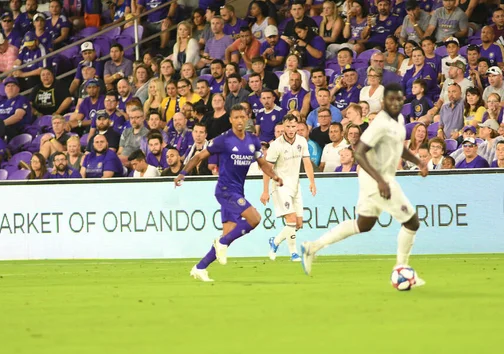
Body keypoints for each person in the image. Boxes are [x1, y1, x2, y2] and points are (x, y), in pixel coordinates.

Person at [301, 83, 428, 280]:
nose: (395, 102)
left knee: (363, 224)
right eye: (391, 99)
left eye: (399, 99)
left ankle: (312, 247)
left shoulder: (399, 120)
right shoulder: (379, 124)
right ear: (383, 102)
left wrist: (419, 161)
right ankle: (401, 268)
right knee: (412, 222)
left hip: (379, 179)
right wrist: (380, 182)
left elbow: (397, 147)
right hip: (376, 179)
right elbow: (359, 153)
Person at [174, 104, 283, 282]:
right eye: (236, 117)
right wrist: (183, 173)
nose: (240, 120)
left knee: (229, 233)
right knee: (254, 219)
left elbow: (263, 164)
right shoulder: (223, 140)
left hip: (238, 190)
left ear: (247, 118)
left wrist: (274, 176)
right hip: (225, 190)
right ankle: (221, 243)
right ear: (231, 120)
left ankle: (200, 267)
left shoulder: (253, 141)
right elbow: (199, 156)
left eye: (242, 117)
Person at [260, 114, 316, 261]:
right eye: (288, 126)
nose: (291, 129)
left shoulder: (302, 141)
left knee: (298, 224)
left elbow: (307, 163)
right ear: (283, 127)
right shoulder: (276, 146)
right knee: (291, 219)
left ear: (297, 127)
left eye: (293, 126)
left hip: (295, 186)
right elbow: (267, 169)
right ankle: (293, 253)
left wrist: (312, 182)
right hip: (280, 186)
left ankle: (275, 241)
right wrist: (265, 191)